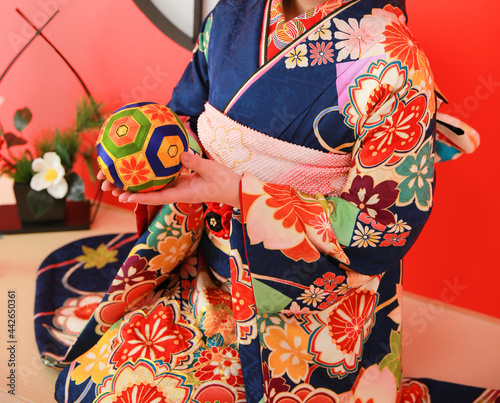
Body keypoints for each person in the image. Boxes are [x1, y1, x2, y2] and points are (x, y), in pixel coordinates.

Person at [51, 0, 495, 401]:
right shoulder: (234, 12)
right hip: (204, 261)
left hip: (306, 303)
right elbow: (186, 112)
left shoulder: (397, 60)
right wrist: (155, 163)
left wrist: (240, 191)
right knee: (94, 381)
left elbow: (382, 227)